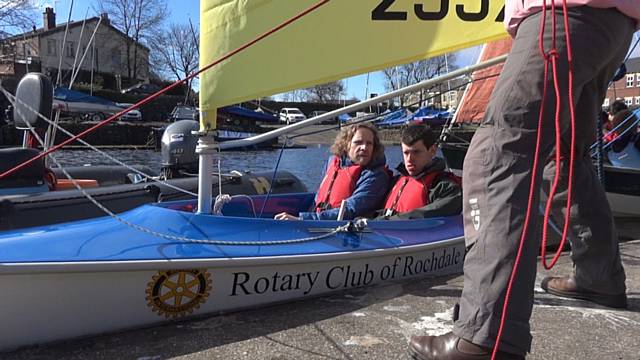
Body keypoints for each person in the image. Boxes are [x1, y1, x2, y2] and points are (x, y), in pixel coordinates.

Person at [409, 2, 638, 360]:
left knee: (496, 157)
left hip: (562, 15)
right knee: (560, 156)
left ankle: (486, 335)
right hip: (614, 23)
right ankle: (598, 276)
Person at [274, 123, 390, 220]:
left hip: (343, 232)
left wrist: (302, 219)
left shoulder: (375, 176)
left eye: (369, 143)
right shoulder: (332, 163)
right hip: (319, 222)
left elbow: (350, 210)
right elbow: (318, 197)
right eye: (358, 142)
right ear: (346, 144)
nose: (364, 147)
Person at [376, 124, 461, 220]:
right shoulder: (396, 181)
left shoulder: (445, 188)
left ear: (432, 151)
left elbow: (431, 214)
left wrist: (387, 222)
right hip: (385, 231)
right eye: (406, 153)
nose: (409, 159)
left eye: (416, 152)